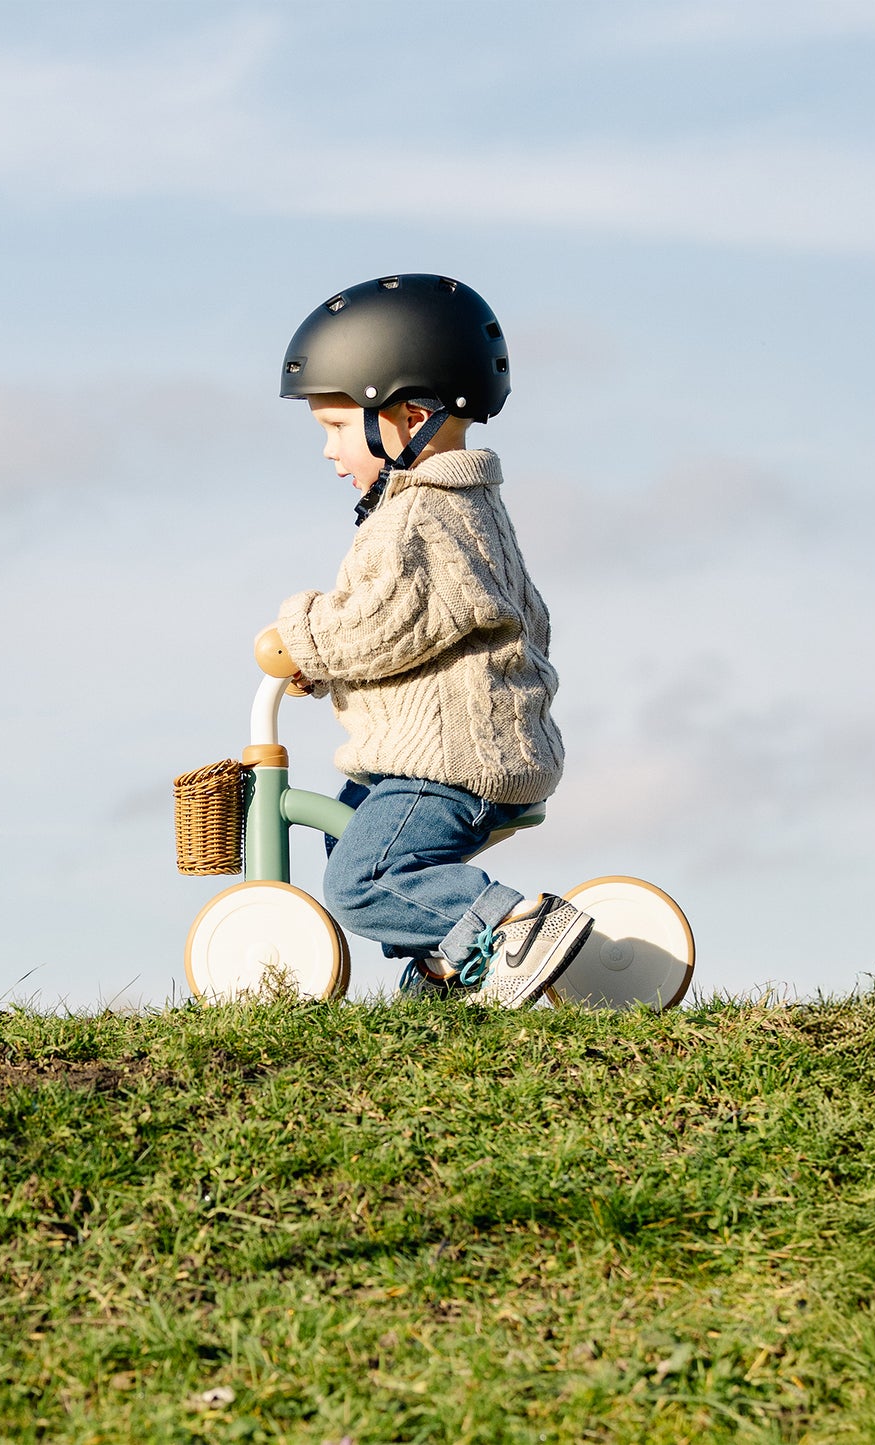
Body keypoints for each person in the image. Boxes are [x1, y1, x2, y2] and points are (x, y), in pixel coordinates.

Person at [257, 274, 592, 1007]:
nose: (327, 450)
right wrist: (336, 667)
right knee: (348, 831)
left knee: (364, 878)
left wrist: (304, 636)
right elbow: (421, 634)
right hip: (469, 746)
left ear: (409, 415)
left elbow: (380, 622)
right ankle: (448, 969)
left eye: (337, 427)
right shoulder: (466, 509)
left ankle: (509, 928)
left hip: (453, 762)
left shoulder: (421, 519)